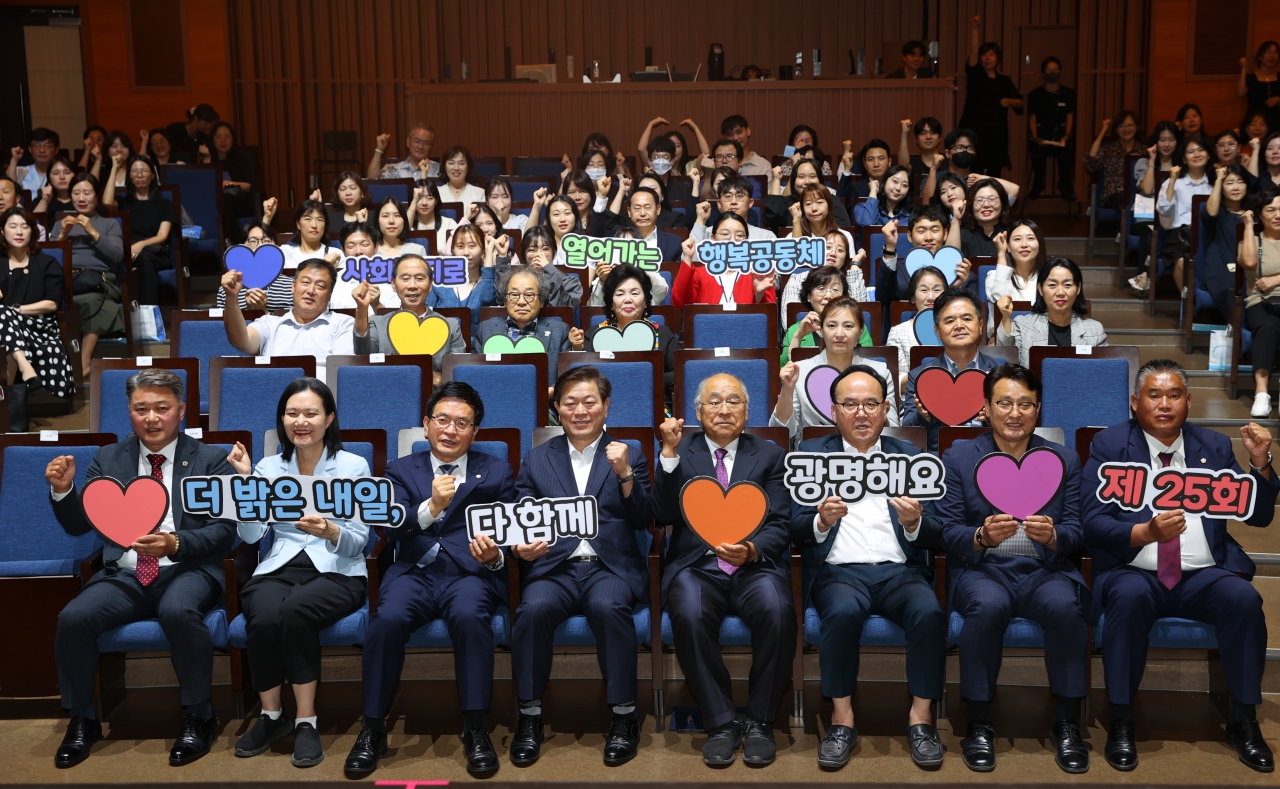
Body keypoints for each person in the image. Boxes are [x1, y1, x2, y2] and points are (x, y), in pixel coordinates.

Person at [1081, 359, 1277, 773]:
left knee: (1243, 599)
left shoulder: (1215, 447)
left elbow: (1257, 517)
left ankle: (1243, 721)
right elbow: (1091, 522)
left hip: (1204, 572)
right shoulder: (1110, 446)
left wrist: (1260, 464)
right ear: (1135, 402)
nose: (1165, 403)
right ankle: (1121, 720)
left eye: (1174, 395)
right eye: (1154, 395)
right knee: (1128, 598)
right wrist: (1145, 533)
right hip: (1135, 569)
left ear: (1189, 401)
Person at [46, 369, 236, 768]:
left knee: (178, 611)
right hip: (126, 573)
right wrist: (64, 491)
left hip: (188, 569)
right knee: (73, 617)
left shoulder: (210, 458)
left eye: (162, 408)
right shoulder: (109, 457)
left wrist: (176, 543)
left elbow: (225, 531)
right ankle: (83, 718)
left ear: (180, 411)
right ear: (129, 413)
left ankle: (198, 714)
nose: (152, 417)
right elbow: (83, 524)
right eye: (141, 408)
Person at [345, 381, 515, 777]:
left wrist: (494, 559)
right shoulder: (401, 469)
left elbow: (508, 531)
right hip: (414, 571)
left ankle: (475, 727)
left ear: (475, 432)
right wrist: (432, 506)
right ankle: (372, 727)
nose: (450, 430)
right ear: (426, 424)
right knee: (385, 621)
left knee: (472, 620)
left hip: (469, 574)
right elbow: (392, 526)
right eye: (442, 419)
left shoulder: (496, 471)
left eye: (462, 423)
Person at [791, 364, 946, 770]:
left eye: (871, 404)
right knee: (840, 613)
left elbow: (940, 530)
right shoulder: (810, 457)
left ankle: (921, 717)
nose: (861, 413)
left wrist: (915, 523)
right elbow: (791, 525)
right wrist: (821, 520)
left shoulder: (912, 458)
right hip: (839, 571)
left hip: (901, 571)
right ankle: (842, 719)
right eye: (851, 404)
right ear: (833, 410)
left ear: (886, 409)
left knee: (929, 612)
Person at [937, 364, 1090, 773]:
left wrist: (1056, 538)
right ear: (986, 408)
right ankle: (979, 723)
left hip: (1045, 569)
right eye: (1004, 402)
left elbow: (1078, 529)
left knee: (1066, 609)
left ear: (1038, 411)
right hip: (985, 568)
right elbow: (947, 530)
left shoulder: (1064, 458)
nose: (1014, 412)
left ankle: (1067, 723)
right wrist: (981, 537)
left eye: (1025, 404)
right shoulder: (959, 456)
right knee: (985, 609)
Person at [507, 366, 653, 767]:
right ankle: (530, 717)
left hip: (609, 567)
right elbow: (521, 517)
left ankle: (624, 717)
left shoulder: (630, 453)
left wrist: (625, 474)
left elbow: (643, 519)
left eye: (590, 401)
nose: (580, 410)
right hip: (555, 567)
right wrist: (521, 548)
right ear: (557, 409)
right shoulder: (537, 459)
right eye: (569, 403)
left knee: (609, 608)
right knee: (532, 610)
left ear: (606, 407)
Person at [653, 374, 795, 767]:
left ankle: (762, 721)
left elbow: (781, 523)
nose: (724, 409)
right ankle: (720, 722)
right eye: (714, 402)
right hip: (696, 566)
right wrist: (667, 454)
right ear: (698, 412)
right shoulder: (678, 450)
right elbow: (662, 515)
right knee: (689, 611)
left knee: (779, 611)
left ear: (747, 412)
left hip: (754, 566)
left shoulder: (769, 455)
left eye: (734, 401)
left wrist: (752, 550)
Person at [227, 378, 369, 769]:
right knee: (264, 612)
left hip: (337, 568)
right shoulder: (268, 467)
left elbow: (360, 541)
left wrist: (331, 530)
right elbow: (254, 535)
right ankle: (272, 715)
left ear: (329, 419)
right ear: (282, 420)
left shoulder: (354, 466)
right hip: (280, 564)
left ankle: (306, 720)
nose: (300, 421)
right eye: (292, 413)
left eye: (311, 413)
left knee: (294, 611)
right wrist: (246, 485)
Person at [773, 297, 899, 441]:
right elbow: (783, 432)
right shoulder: (800, 370)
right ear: (821, 330)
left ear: (860, 333)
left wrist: (880, 415)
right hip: (813, 456)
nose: (839, 334)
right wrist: (786, 391)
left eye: (848, 326)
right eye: (832, 325)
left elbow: (893, 430)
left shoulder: (879, 371)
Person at [221, 258, 355, 384]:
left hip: (320, 402)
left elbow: (341, 376)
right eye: (305, 283)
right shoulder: (269, 323)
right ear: (293, 286)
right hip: (274, 397)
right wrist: (231, 297)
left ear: (329, 295)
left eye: (320, 286)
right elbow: (242, 340)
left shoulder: (343, 324)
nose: (311, 291)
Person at [902, 288, 1004, 453]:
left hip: (990, 455)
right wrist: (924, 416)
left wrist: (992, 418)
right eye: (949, 321)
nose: (959, 326)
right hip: (939, 460)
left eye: (966, 318)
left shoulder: (1000, 374)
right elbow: (908, 432)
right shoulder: (920, 376)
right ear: (938, 332)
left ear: (980, 326)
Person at [0, 207, 75, 429]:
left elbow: (51, 303)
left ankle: (8, 419)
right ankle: (24, 368)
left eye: (24, 226)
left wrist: (16, 309)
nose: (19, 231)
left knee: (5, 325)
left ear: (33, 231)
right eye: (13, 226)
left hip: (39, 328)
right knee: (5, 324)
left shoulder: (46, 263)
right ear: (2, 232)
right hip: (5, 327)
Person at [50, 173, 125, 375]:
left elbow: (117, 256)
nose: (81, 198)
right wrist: (61, 236)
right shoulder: (61, 224)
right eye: (76, 193)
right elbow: (49, 261)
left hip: (100, 281)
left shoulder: (110, 224)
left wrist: (93, 232)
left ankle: (82, 362)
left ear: (96, 196)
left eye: (86, 193)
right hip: (68, 281)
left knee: (91, 300)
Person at [351, 254, 465, 385]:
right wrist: (362, 308)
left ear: (430, 285)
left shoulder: (450, 326)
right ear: (393, 284)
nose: (412, 286)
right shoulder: (378, 323)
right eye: (405, 278)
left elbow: (457, 376)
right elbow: (362, 356)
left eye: (420, 278)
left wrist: (438, 379)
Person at [585, 263, 680, 402]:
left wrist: (641, 376)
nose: (628, 299)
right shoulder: (595, 334)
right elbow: (585, 377)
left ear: (646, 301)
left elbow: (681, 374)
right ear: (611, 303)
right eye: (620, 293)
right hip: (605, 407)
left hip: (655, 406)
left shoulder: (662, 334)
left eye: (635, 293)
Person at [996, 257, 1108, 366]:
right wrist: (1006, 318)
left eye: (1067, 285)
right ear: (1040, 289)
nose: (1060, 292)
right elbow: (1005, 362)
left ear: (1078, 288)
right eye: (1052, 285)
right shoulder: (1023, 326)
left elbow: (1102, 374)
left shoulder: (1095, 331)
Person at [474, 266, 578, 379]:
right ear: (505, 300)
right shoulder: (485, 329)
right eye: (514, 295)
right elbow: (475, 373)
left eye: (529, 295)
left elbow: (567, 376)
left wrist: (553, 390)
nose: (521, 302)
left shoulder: (559, 331)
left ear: (541, 301)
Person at [102, 153, 176, 306]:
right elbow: (107, 202)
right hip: (129, 252)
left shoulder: (164, 204)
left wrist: (141, 245)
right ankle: (142, 314)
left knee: (144, 260)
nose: (139, 175)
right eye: (134, 171)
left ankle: (149, 310)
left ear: (152, 175)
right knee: (138, 260)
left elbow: (162, 235)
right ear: (129, 176)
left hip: (154, 252)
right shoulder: (123, 202)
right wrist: (115, 168)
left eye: (144, 170)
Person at [960, 15, 1023, 175]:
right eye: (984, 55)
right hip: (975, 130)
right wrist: (975, 29)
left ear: (998, 58)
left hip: (997, 133)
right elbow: (973, 51)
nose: (987, 58)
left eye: (991, 55)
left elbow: (1020, 102)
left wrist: (1009, 101)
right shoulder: (976, 74)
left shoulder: (1004, 81)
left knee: (995, 171)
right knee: (975, 170)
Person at [673, 213, 776, 307]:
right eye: (725, 234)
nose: (732, 239)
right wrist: (687, 257)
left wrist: (759, 295)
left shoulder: (757, 273)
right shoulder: (700, 273)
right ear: (713, 238)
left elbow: (768, 315)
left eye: (739, 235)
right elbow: (679, 302)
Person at [878, 206, 969, 305]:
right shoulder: (897, 271)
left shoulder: (961, 273)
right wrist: (890, 248)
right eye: (921, 231)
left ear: (945, 234)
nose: (928, 237)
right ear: (909, 236)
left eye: (935, 230)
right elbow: (884, 300)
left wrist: (952, 288)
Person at [1155, 135, 1213, 290]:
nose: (1197, 154)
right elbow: (1164, 210)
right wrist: (1172, 180)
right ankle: (1189, 305)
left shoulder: (1216, 183)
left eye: (1201, 150)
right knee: (1181, 263)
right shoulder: (1174, 182)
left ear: (1208, 155)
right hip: (1180, 235)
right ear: (1184, 159)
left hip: (1209, 234)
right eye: (1191, 151)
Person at [779, 263, 867, 364]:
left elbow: (869, 361)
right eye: (821, 289)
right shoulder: (795, 330)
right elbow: (783, 369)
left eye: (835, 289)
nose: (828, 295)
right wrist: (798, 337)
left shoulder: (856, 326)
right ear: (808, 296)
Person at [1242, 188, 1280, 415]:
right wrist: (1248, 225)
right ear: (1260, 214)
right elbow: (1248, 262)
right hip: (1261, 302)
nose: (1277, 215)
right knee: (1268, 326)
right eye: (1271, 210)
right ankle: (1262, 393)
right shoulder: (1254, 240)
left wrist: (1276, 279)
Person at [1200, 164, 1251, 327]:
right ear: (1221, 188)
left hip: (1250, 270)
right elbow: (1211, 213)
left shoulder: (1254, 214)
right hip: (1220, 268)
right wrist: (1219, 179)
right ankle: (1244, 335)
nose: (1235, 187)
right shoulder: (1217, 212)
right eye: (1229, 183)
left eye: (1240, 181)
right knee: (1232, 290)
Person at [426, 224, 498, 336]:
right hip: (443, 347)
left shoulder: (489, 280)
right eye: (460, 246)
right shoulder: (438, 282)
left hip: (478, 349)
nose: (466, 252)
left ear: (483, 249)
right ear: (452, 250)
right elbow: (427, 316)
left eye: (472, 246)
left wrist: (489, 256)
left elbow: (488, 299)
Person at [886, 265, 948, 391]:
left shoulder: (956, 329)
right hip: (914, 398)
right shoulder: (898, 332)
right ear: (913, 298)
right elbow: (897, 381)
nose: (931, 297)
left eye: (937, 290)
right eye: (924, 290)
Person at [922, 129, 1021, 203]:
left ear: (975, 153)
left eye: (969, 148)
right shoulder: (935, 177)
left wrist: (984, 179)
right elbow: (927, 204)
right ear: (947, 153)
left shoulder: (979, 181)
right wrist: (933, 168)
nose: (965, 151)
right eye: (959, 147)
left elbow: (1014, 190)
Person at [1026, 56, 1076, 200]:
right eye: (1049, 70)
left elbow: (1070, 117)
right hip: (1041, 137)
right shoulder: (1035, 95)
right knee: (1038, 155)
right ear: (1043, 74)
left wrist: (1066, 135)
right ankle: (1038, 182)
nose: (1052, 73)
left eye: (1055, 70)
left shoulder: (1068, 94)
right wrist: (1036, 138)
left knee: (1066, 155)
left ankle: (1065, 185)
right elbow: (1032, 119)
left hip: (1061, 137)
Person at [215, 222, 293, 311]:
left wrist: (264, 312)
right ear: (242, 248)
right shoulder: (228, 288)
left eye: (267, 241)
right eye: (253, 241)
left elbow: (295, 323)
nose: (260, 245)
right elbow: (223, 323)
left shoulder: (291, 287)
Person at [515, 224, 592, 308]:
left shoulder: (570, 282)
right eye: (532, 250)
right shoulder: (515, 280)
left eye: (545, 249)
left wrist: (548, 269)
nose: (538, 255)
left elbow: (565, 312)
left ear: (554, 253)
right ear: (524, 255)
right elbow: (502, 302)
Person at [984, 219, 1048, 320]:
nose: (1024, 244)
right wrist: (1001, 254)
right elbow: (1000, 302)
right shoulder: (993, 276)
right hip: (1004, 334)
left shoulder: (1048, 279)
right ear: (1008, 247)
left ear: (1039, 244)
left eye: (1030, 238)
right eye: (1017, 239)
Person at [764, 158, 852, 229]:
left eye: (812, 176)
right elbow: (771, 220)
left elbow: (844, 230)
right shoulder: (786, 202)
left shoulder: (831, 200)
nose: (807, 181)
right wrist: (776, 179)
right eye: (801, 177)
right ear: (793, 181)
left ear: (819, 180)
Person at [1084, 111, 1143, 210]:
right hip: (1113, 195)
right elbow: (1090, 162)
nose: (1126, 129)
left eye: (1130, 125)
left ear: (1136, 127)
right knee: (1124, 201)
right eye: (1122, 126)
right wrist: (1103, 130)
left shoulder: (1145, 151)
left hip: (1138, 194)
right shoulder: (1108, 150)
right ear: (1116, 129)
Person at [202, 122, 256, 225]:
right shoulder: (208, 159)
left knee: (227, 200)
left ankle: (229, 239)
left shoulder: (241, 160)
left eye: (227, 137)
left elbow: (247, 186)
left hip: (239, 203)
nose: (223, 140)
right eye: (218, 137)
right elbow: (205, 186)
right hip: (214, 203)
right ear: (212, 139)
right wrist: (206, 158)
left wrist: (225, 184)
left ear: (233, 139)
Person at [330, 221, 387, 310]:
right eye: (351, 246)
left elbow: (395, 316)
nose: (358, 251)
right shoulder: (334, 279)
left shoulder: (389, 278)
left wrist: (377, 304)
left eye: (364, 245)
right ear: (343, 251)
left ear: (376, 247)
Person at [637, 117, 709, 177]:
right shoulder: (656, 166)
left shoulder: (690, 167)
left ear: (683, 150)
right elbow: (641, 149)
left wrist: (695, 128)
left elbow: (705, 154)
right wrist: (651, 124)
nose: (674, 149)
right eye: (670, 146)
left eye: (677, 146)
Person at [368, 124, 441, 180]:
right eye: (417, 141)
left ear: (431, 147)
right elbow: (372, 181)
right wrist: (379, 150)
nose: (420, 146)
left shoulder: (440, 170)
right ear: (408, 142)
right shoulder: (392, 169)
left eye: (426, 143)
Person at [1237, 42, 1280, 131]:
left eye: (1275, 52)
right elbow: (1240, 93)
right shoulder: (1251, 78)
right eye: (1268, 52)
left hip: (1277, 123)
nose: (1272, 55)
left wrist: (1278, 99)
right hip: (1255, 125)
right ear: (1260, 57)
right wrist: (1244, 68)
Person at [7, 127, 59, 200]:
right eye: (37, 145)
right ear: (30, 149)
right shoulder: (22, 171)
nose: (42, 150)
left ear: (56, 150)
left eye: (47, 146)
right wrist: (14, 159)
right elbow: (8, 188)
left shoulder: (62, 174)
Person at [853, 165, 913, 229]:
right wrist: (873, 191)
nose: (898, 188)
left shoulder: (912, 214)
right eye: (895, 181)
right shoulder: (861, 208)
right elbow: (867, 224)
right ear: (884, 182)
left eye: (904, 185)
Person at [638, 135, 693, 203]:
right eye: (656, 157)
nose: (661, 161)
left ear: (672, 162)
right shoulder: (641, 188)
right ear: (649, 162)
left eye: (666, 157)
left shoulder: (682, 189)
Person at [1135, 121, 1181, 197]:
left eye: (1171, 140)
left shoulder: (1182, 164)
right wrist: (1152, 161)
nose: (1167, 145)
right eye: (1162, 140)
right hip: (1148, 206)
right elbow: (1147, 190)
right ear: (1156, 141)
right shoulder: (1143, 163)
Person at [898, 117, 947, 183]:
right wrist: (904, 133)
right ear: (916, 140)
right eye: (923, 133)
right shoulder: (913, 163)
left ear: (940, 138)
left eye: (933, 133)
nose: (928, 137)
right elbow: (903, 169)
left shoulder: (949, 162)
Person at [440, 146, 485, 214]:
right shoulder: (436, 193)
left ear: (467, 167)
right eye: (451, 163)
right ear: (445, 167)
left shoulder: (479, 193)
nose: (456, 168)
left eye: (461, 163)